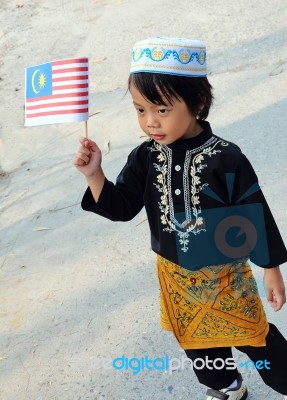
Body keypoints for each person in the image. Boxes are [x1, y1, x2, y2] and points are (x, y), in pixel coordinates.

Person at [74, 37, 287, 400]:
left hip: (225, 278)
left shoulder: (225, 157)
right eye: (140, 111)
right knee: (196, 345)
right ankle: (228, 387)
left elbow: (254, 212)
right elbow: (123, 207)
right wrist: (95, 176)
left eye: (161, 110)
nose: (150, 122)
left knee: (257, 340)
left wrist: (271, 268)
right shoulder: (145, 157)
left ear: (198, 103)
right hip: (175, 279)